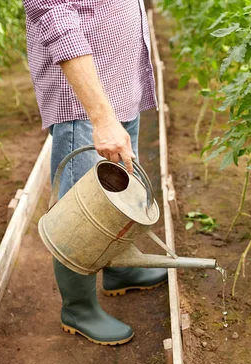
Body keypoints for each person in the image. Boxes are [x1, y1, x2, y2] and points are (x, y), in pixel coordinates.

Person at [22, 0, 167, 346]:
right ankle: (78, 308)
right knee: (81, 207)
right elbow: (53, 13)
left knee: (119, 189)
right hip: (84, 97)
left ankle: (118, 270)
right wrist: (101, 117)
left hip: (118, 80)